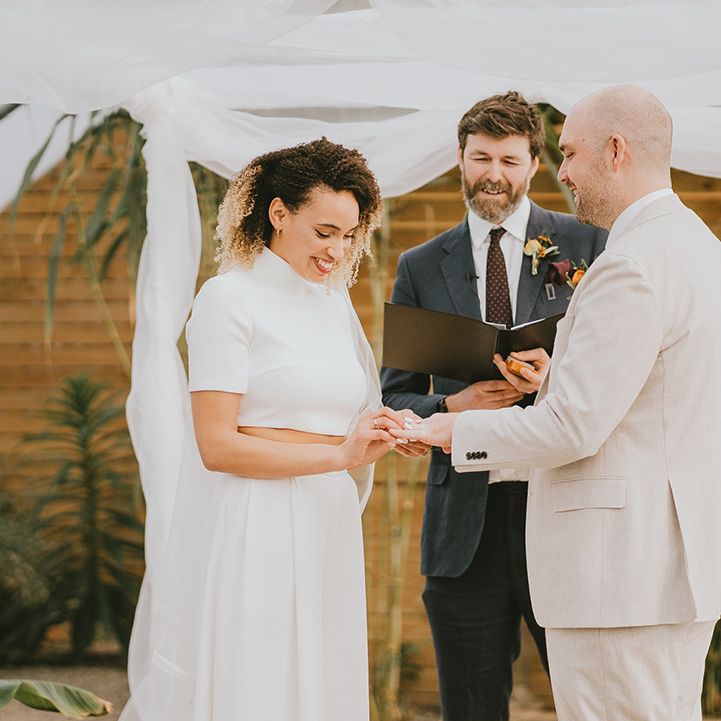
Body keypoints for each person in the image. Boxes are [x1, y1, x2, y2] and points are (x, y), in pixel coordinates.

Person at [391, 85, 721, 721]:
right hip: (670, 563)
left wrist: (444, 431)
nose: (562, 172)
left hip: (615, 571)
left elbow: (573, 425)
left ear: (615, 150)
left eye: (568, 153)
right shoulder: (702, 250)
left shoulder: (628, 263)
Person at [122, 138, 424, 721]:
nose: (338, 251)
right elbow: (217, 446)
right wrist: (340, 456)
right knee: (260, 685)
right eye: (324, 232)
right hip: (257, 523)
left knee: (321, 684)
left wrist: (380, 433)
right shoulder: (227, 300)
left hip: (328, 521)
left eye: (348, 235)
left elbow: (335, 424)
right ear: (279, 213)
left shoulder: (332, 306)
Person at [380, 91, 606, 721]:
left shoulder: (588, 244)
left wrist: (553, 379)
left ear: (533, 163)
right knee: (471, 706)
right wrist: (455, 403)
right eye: (481, 158)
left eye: (509, 160)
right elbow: (394, 396)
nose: (494, 175)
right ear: (460, 158)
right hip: (464, 524)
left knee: (591, 702)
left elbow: (619, 374)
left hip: (563, 507)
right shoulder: (420, 265)